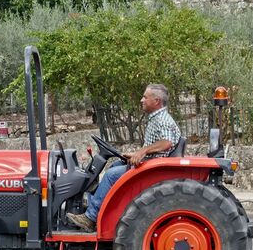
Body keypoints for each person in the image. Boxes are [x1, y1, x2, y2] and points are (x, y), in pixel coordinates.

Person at [67, 84, 181, 232]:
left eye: (145, 97)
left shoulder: (162, 120)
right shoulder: (157, 118)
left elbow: (167, 142)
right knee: (115, 167)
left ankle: (90, 217)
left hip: (152, 168)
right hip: (150, 163)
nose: (141, 100)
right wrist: (136, 153)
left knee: (110, 175)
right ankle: (97, 205)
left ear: (157, 100)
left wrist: (142, 152)